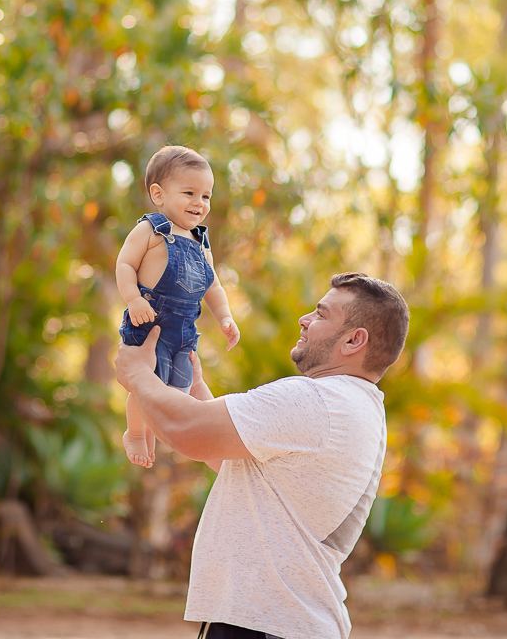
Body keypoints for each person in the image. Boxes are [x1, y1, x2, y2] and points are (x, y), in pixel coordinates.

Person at [114, 272, 410, 639]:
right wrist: (193, 386)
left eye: (321, 314)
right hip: (275, 623)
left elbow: (186, 431)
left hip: (268, 626)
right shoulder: (356, 406)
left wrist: (137, 373)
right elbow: (233, 461)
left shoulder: (318, 400)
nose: (305, 319)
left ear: (354, 340)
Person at [115, 145, 240, 468]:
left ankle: (157, 434)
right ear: (158, 194)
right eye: (189, 193)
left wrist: (225, 317)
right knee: (144, 384)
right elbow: (125, 265)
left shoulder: (201, 242)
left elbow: (213, 286)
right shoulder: (151, 229)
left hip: (183, 332)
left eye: (206, 196)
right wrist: (134, 299)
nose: (200, 203)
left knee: (177, 390)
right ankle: (135, 433)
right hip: (149, 322)